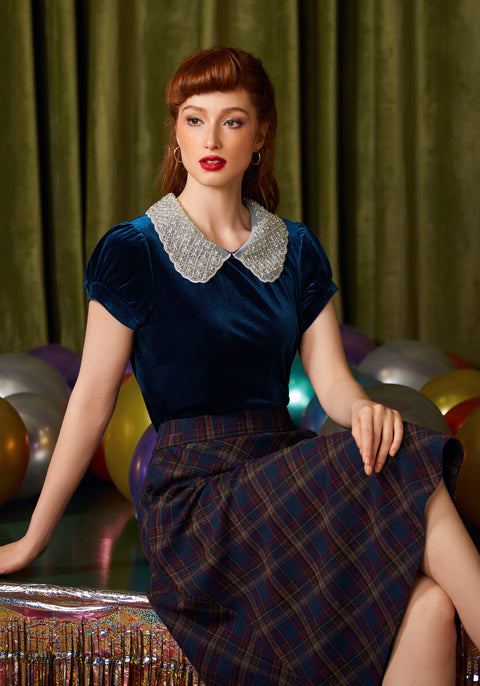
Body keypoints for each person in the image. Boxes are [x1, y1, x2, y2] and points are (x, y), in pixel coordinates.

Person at [0, 46, 479, 685]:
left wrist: (364, 406)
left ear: (260, 136)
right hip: (196, 503)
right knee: (406, 464)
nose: (211, 138)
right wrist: (33, 539)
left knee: (431, 607)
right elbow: (90, 400)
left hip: (279, 476)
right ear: (175, 134)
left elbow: (334, 382)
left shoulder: (297, 249)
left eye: (232, 120)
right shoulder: (134, 250)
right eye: (194, 119)